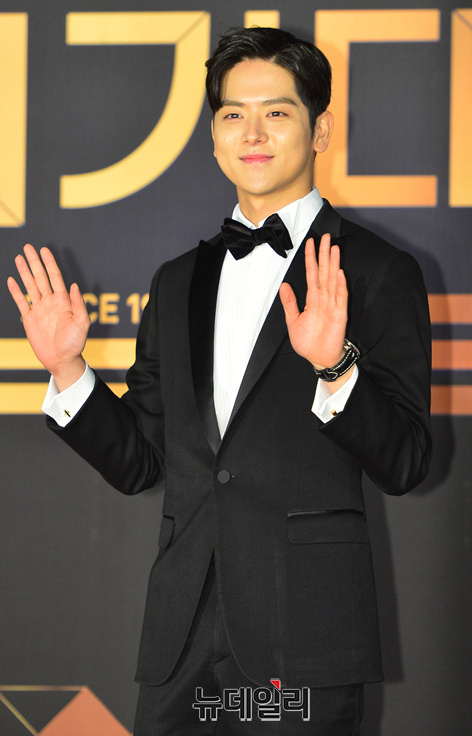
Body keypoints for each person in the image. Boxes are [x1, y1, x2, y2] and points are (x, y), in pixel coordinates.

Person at [7, 26, 432, 736]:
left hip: (303, 639)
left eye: (277, 112)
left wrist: (335, 368)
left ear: (321, 130)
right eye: (233, 113)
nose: (252, 133)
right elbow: (141, 462)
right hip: (180, 642)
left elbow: (408, 462)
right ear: (213, 136)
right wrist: (67, 369)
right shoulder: (176, 282)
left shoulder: (378, 272)